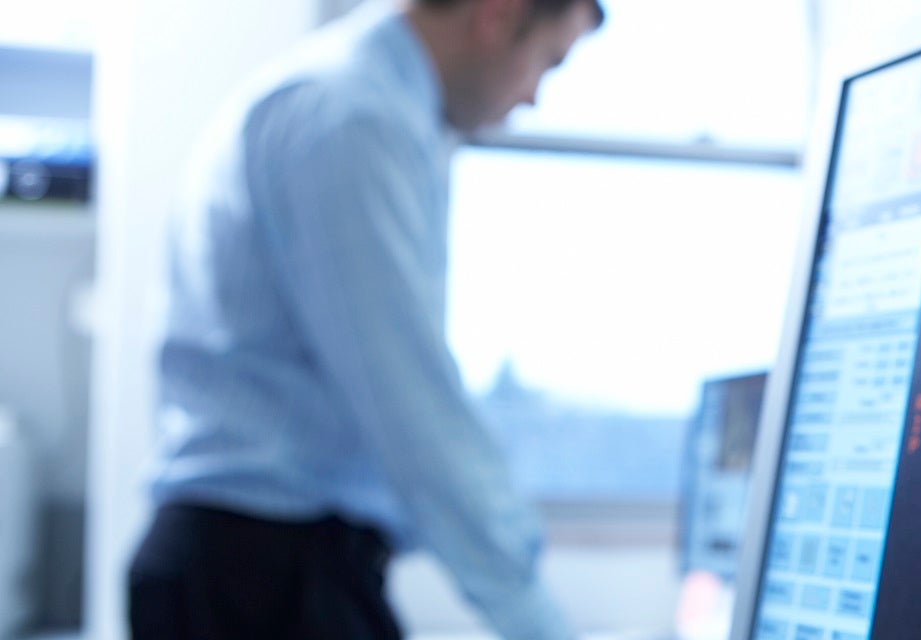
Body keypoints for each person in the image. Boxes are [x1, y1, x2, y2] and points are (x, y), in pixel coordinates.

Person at [125, 0, 604, 638]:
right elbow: (412, 408)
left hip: (258, 567)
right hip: (261, 579)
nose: (535, 97)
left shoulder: (354, 102)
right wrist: (538, 622)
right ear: (496, 14)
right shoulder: (353, 119)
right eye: (548, 60)